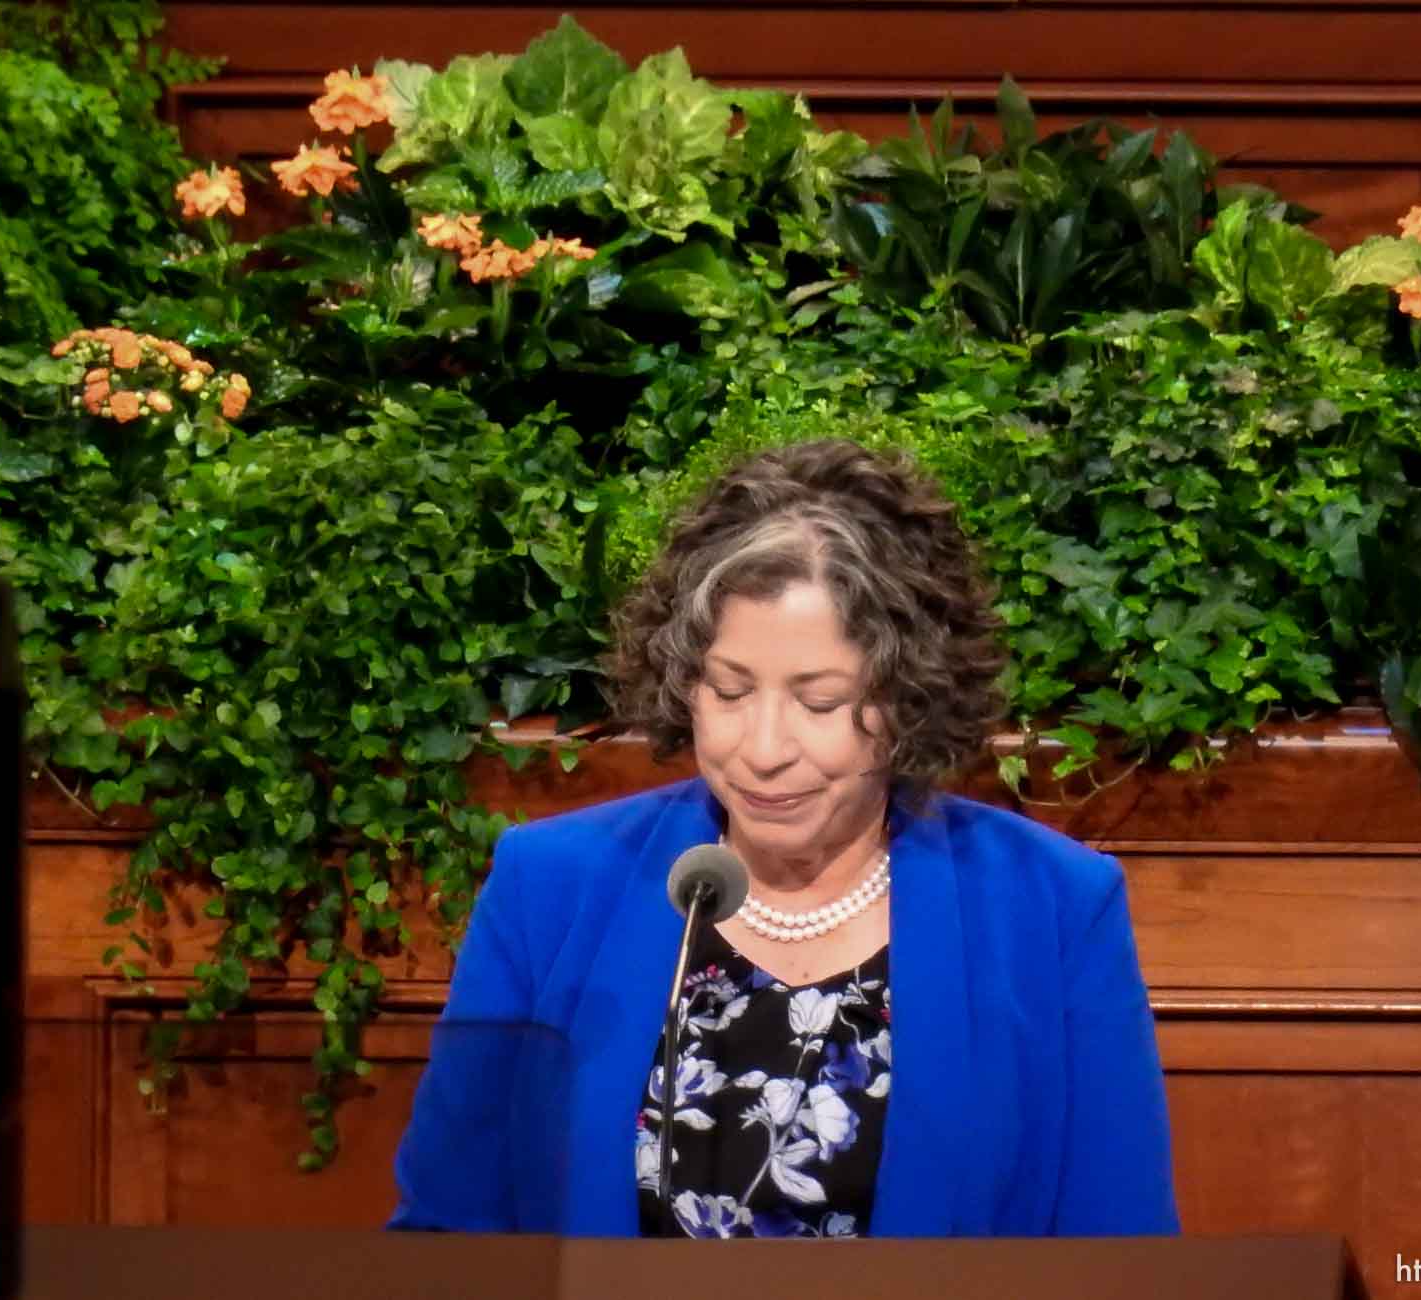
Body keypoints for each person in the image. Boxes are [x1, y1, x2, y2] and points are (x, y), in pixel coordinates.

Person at [388, 437, 1179, 1238]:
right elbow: (448, 1232)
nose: (763, 750)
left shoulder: (1049, 906)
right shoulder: (550, 885)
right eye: (729, 691)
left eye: (820, 701)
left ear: (910, 696)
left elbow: (1121, 1253)